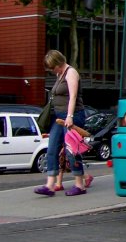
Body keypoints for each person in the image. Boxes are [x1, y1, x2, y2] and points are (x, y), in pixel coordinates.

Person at [34, 50, 90, 197]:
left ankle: (79, 184)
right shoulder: (60, 74)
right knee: (52, 148)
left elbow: (73, 97)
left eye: (53, 67)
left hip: (72, 116)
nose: (52, 71)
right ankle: (50, 185)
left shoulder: (71, 73)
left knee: (71, 149)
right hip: (58, 117)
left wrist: (70, 117)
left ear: (58, 63)